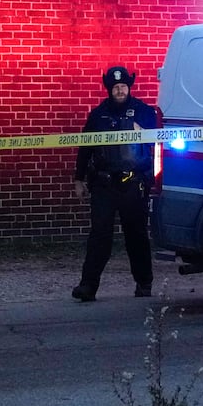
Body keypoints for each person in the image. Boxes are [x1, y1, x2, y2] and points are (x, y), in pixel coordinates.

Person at [71, 65, 160, 301]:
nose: (120, 90)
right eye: (116, 87)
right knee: (99, 236)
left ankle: (144, 284)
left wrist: (145, 131)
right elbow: (85, 148)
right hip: (104, 185)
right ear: (109, 89)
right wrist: (79, 179)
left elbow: (159, 139)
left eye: (123, 86)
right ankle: (88, 286)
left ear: (129, 87)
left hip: (133, 184)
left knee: (137, 236)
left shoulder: (143, 111)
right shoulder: (98, 114)